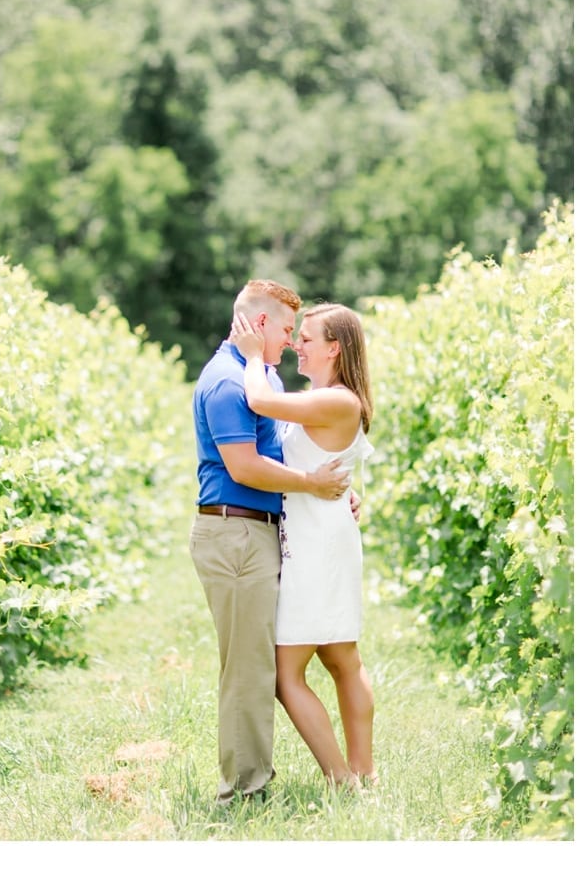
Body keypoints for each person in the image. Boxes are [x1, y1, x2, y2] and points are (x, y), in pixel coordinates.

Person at [188, 279, 352, 804]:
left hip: (257, 532)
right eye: (285, 330)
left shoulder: (261, 379)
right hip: (234, 533)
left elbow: (284, 453)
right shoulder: (228, 384)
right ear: (260, 325)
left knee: (258, 662)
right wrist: (311, 485)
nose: (290, 341)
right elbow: (245, 466)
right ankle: (242, 790)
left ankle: (252, 779)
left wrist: (331, 494)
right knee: (248, 667)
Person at [231, 303, 377, 789]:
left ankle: (345, 777)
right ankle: (362, 773)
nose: (297, 344)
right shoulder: (326, 399)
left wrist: (253, 356)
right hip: (320, 532)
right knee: (340, 659)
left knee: (288, 673)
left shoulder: (338, 400)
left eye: (308, 338)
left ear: (334, 348)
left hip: (318, 547)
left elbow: (258, 401)